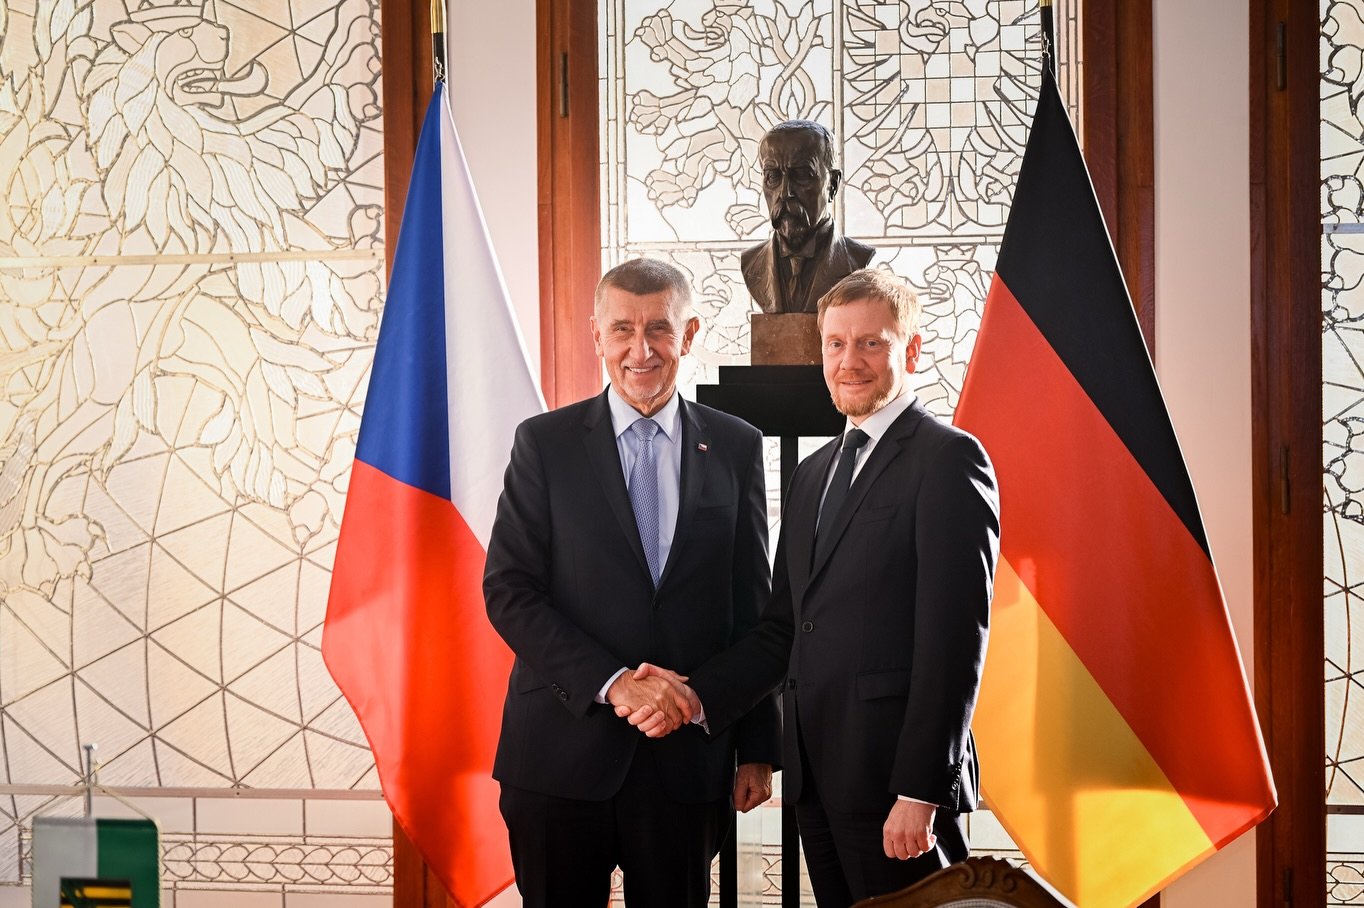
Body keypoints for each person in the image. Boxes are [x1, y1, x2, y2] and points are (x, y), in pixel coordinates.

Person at [635, 268, 1000, 905]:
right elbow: (783, 627)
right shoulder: (813, 473)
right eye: (835, 344)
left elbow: (954, 642)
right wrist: (695, 697)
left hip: (895, 786)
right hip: (817, 780)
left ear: (912, 349)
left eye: (871, 343)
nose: (848, 361)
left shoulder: (948, 459)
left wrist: (921, 791)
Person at [483, 257, 780, 907]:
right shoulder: (544, 444)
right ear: (597, 334)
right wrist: (616, 682)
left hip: (685, 762)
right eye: (622, 329)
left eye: (659, 329)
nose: (639, 350)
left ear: (689, 334)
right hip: (559, 755)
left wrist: (757, 746)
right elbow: (510, 591)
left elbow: (753, 611)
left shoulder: (736, 446)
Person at [741, 120, 875, 314]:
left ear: (832, 185)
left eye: (802, 175)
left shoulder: (856, 262)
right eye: (773, 176)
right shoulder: (751, 263)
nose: (785, 193)